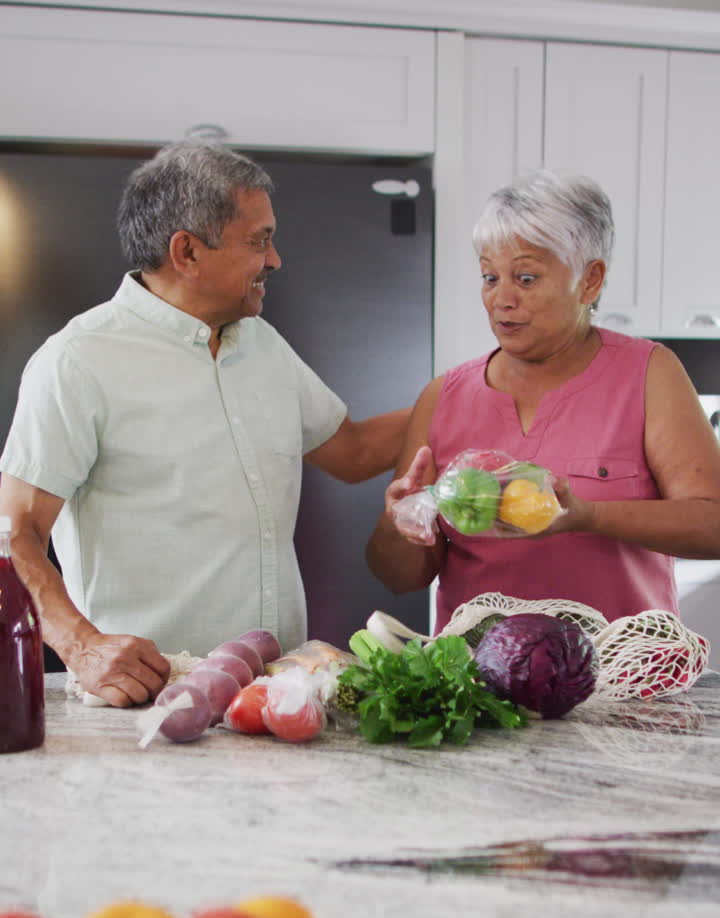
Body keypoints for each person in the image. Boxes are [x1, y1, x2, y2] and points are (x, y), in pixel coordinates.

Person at [0, 142, 411, 707]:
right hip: (142, 703)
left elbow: (356, 451)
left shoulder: (262, 344)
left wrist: (472, 389)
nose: (275, 260)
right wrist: (82, 645)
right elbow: (11, 533)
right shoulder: (77, 360)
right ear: (187, 252)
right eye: (259, 240)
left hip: (280, 700)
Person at [367, 169, 720, 636]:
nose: (501, 299)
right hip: (482, 685)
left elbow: (712, 522)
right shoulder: (443, 397)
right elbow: (398, 577)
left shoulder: (650, 373)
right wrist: (400, 525)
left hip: (620, 681)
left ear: (590, 281)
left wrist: (588, 516)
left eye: (526, 277)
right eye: (490, 277)